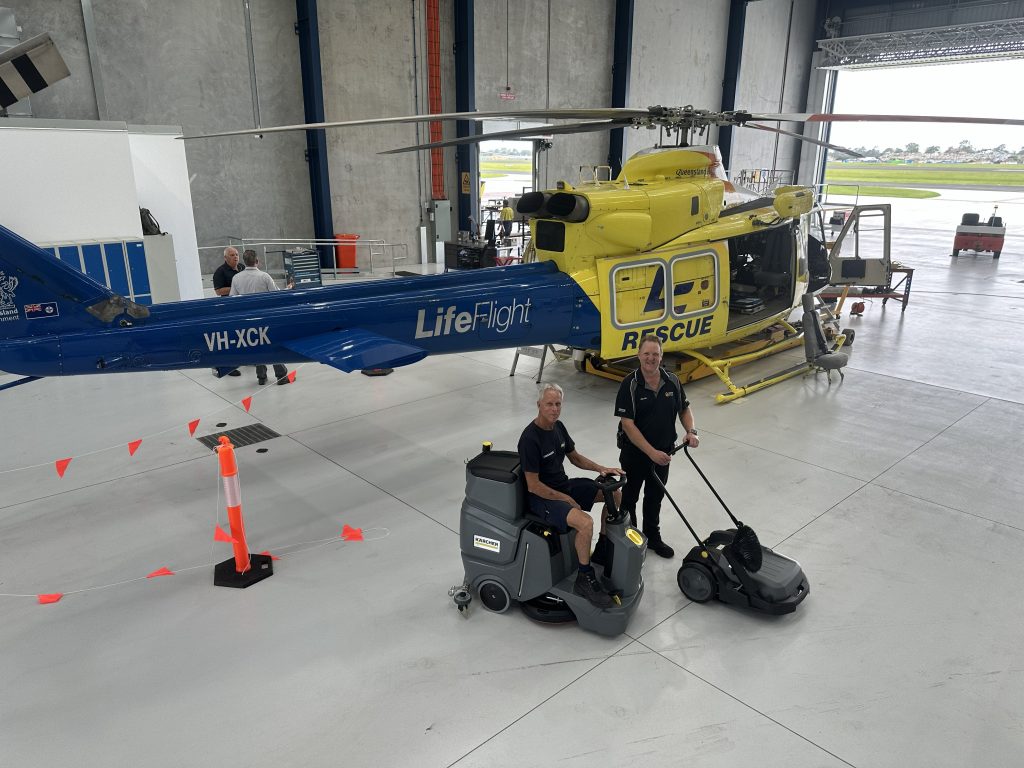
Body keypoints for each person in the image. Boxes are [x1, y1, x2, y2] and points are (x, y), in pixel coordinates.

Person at [518, 383, 623, 608]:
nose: (554, 409)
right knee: (585, 523)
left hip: (562, 486)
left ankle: (601, 551)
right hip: (542, 499)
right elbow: (533, 485)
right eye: (549, 404)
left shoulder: (558, 427)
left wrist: (600, 469)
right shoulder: (529, 439)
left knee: (614, 495)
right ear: (539, 405)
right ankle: (584, 578)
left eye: (558, 404)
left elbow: (574, 457)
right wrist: (565, 499)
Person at [614, 334, 699, 558]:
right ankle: (630, 541)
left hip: (663, 453)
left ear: (661, 357)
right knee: (630, 498)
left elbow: (684, 409)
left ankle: (652, 537)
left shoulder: (672, 380)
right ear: (639, 355)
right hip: (635, 454)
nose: (651, 358)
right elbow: (628, 425)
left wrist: (690, 431)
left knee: (655, 497)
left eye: (655, 354)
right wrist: (650, 453)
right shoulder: (629, 384)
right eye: (646, 353)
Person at [229, 250, 291, 386]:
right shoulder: (264, 276)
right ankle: (281, 376)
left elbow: (232, 299)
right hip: (266, 317)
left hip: (248, 318)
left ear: (244, 262)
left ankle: (261, 376)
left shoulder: (236, 278)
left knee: (257, 345)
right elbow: (276, 296)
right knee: (272, 344)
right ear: (257, 261)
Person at [211, 246, 244, 376]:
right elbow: (218, 291)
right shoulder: (220, 272)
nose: (235, 256)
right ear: (225, 258)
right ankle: (230, 366)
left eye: (236, 254)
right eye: (232, 255)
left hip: (243, 306)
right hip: (229, 309)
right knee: (232, 337)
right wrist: (235, 287)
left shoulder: (242, 267)